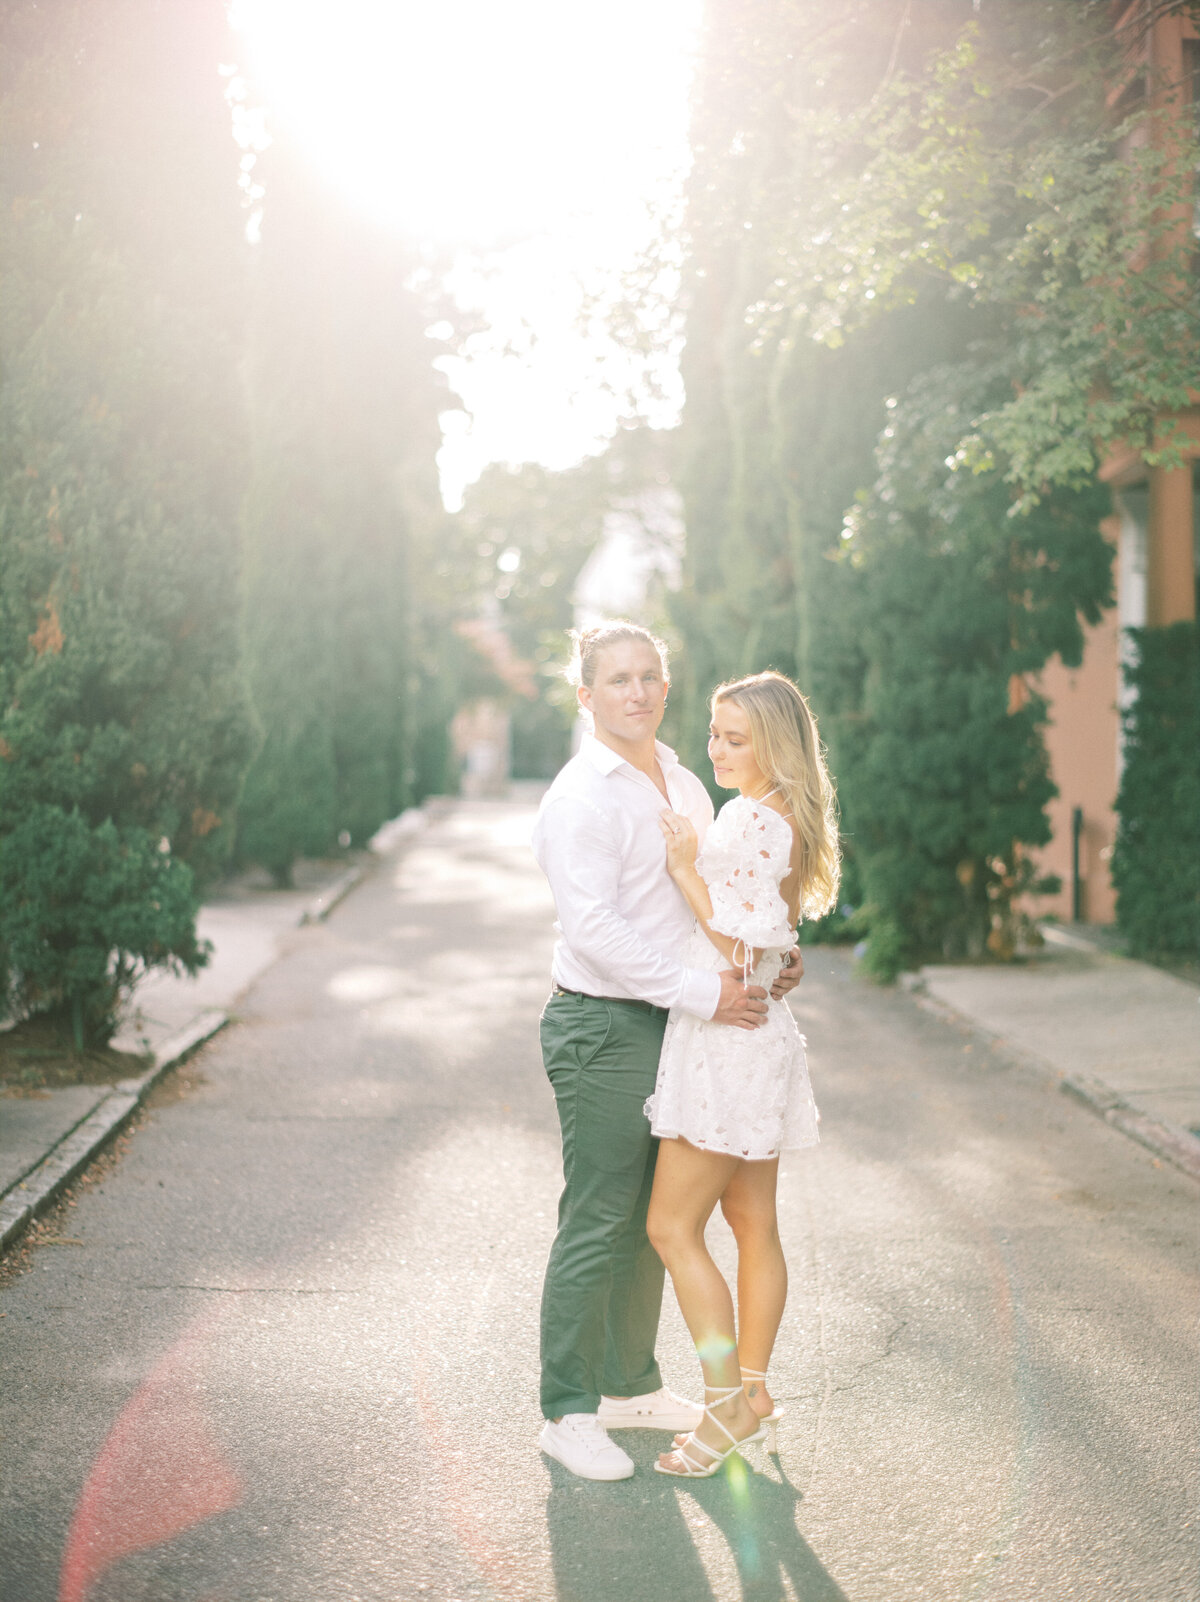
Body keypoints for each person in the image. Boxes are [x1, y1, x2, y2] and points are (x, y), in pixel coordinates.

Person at [531, 624, 807, 1482]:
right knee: (600, 1217)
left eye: (650, 676)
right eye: (618, 679)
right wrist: (705, 990)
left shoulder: (686, 781)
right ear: (586, 695)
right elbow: (594, 930)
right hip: (605, 1022)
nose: (639, 691)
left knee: (654, 1223)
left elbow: (731, 900)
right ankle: (567, 1411)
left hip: (682, 1023)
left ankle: (630, 1385)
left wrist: (770, 960)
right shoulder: (581, 798)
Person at [644, 670, 840, 1478]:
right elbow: (777, 945)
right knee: (753, 1222)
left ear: (775, 745)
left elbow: (746, 949)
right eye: (714, 734)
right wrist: (776, 960)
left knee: (670, 1227)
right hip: (756, 1037)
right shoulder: (782, 811)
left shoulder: (754, 816)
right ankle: (752, 1394)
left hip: (729, 1042)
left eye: (735, 738)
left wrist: (685, 869)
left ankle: (724, 1403)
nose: (717, 750)